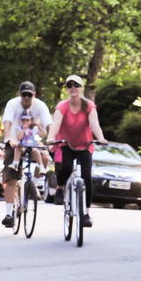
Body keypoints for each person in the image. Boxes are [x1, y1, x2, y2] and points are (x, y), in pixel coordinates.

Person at [47, 75, 107, 228]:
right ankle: (60, 188)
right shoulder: (62, 106)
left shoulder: (89, 106)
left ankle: (86, 213)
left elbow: (94, 124)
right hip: (66, 144)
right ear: (66, 89)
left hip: (85, 144)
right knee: (65, 168)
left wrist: (100, 138)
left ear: (81, 88)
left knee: (86, 176)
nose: (73, 87)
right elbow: (56, 124)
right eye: (69, 85)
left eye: (76, 85)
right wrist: (51, 137)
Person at [1, 81, 52, 228]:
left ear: (34, 95)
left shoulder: (40, 106)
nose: (27, 98)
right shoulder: (12, 104)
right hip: (15, 142)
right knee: (11, 176)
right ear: (20, 94)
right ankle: (9, 213)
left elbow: (49, 125)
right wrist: (9, 138)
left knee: (45, 157)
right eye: (24, 95)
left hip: (33, 142)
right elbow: (7, 123)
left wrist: (51, 138)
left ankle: (33, 183)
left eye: (29, 95)